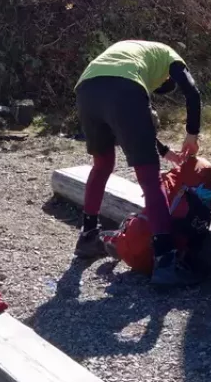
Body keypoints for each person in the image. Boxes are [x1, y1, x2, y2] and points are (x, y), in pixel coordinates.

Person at [72, 40, 202, 288]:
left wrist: (164, 151)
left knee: (102, 164)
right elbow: (192, 92)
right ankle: (166, 261)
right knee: (150, 178)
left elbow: (130, 126)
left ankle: (88, 237)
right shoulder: (170, 56)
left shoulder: (134, 51)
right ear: (165, 79)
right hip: (123, 89)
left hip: (87, 88)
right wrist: (192, 134)